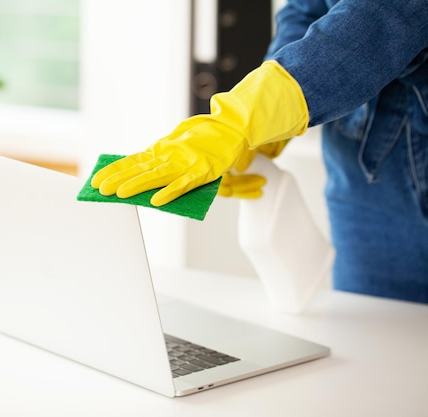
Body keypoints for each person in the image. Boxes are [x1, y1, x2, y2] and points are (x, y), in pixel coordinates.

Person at [90, 0, 428, 304]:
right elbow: (307, 9)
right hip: (365, 173)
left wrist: (245, 116)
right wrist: (269, 122)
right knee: (370, 339)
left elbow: (388, 12)